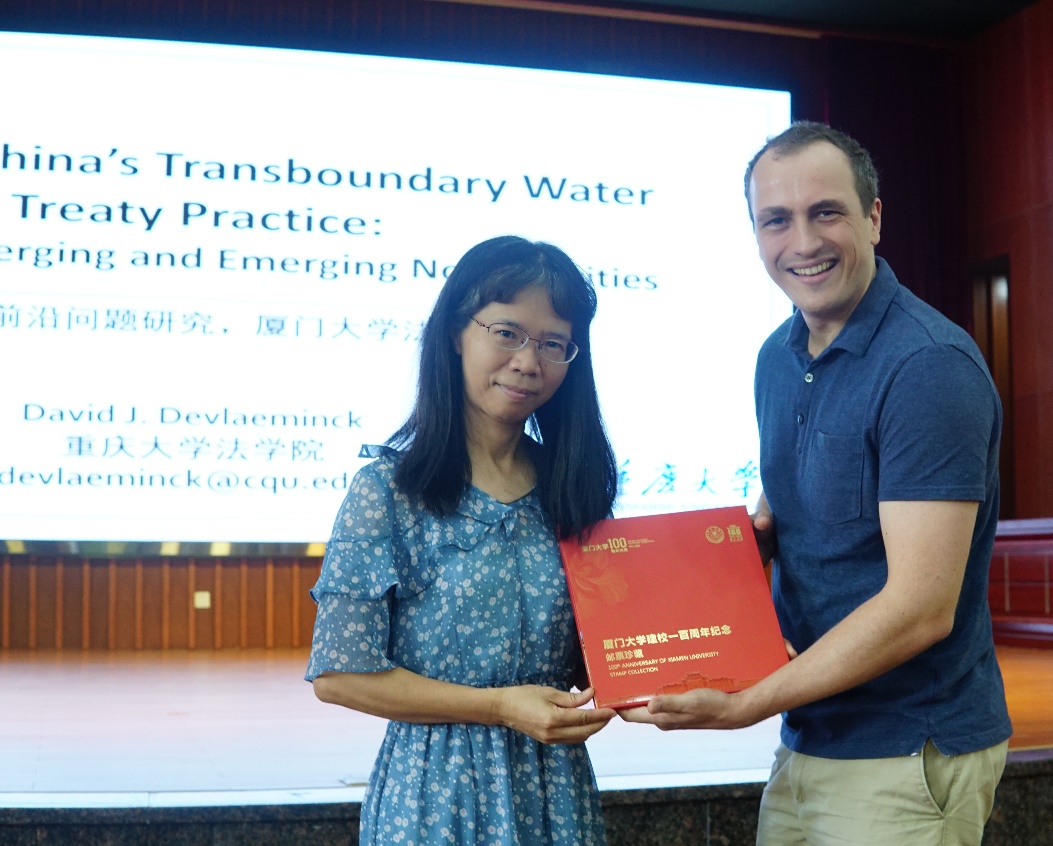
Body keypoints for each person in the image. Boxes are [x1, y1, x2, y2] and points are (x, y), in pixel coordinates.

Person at [621, 121, 1012, 845]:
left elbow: (921, 608)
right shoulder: (777, 355)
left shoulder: (927, 365)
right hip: (812, 735)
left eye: (825, 212)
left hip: (904, 748)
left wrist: (749, 703)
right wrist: (728, 558)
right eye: (776, 220)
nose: (801, 242)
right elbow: (788, 500)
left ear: (873, 217)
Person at [306, 235, 620, 845]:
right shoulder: (388, 491)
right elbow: (339, 675)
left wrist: (726, 632)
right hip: (432, 798)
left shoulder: (573, 489)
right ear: (456, 333)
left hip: (554, 792)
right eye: (507, 333)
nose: (528, 362)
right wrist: (499, 706)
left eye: (552, 343)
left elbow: (605, 649)